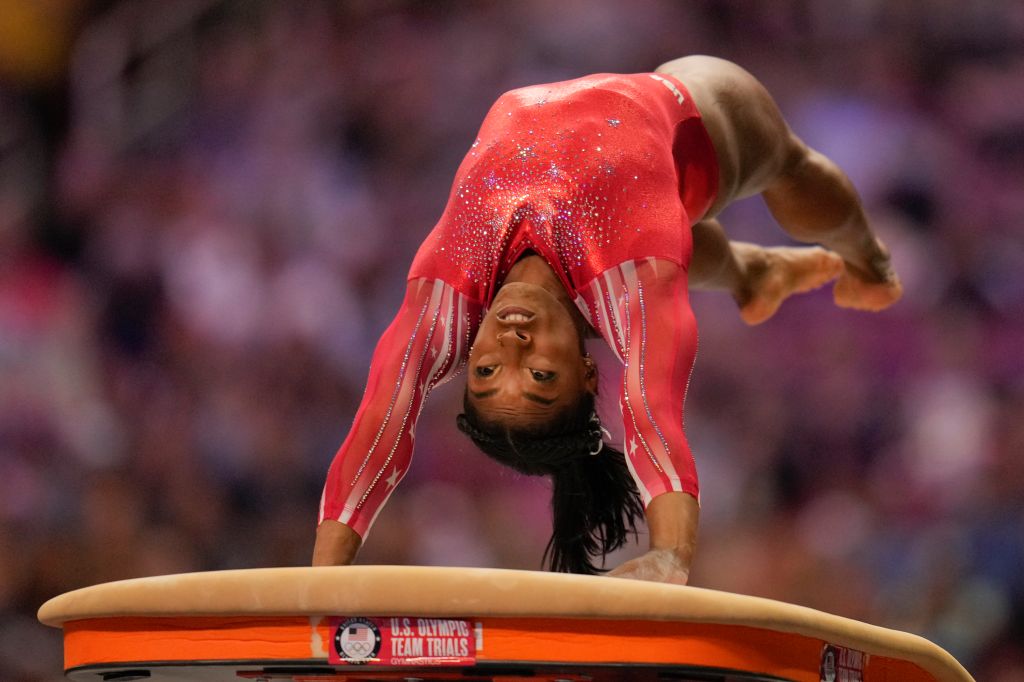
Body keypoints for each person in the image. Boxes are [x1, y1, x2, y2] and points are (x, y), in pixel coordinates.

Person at [312, 56, 901, 583]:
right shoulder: (631, 282)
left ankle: (757, 273)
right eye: (541, 375)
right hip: (686, 125)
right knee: (780, 159)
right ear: (589, 373)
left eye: (488, 370)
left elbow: (380, 421)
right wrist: (671, 553)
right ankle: (864, 256)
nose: (513, 343)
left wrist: (322, 574)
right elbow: (653, 408)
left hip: (635, 218)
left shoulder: (447, 289)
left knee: (656, 237)